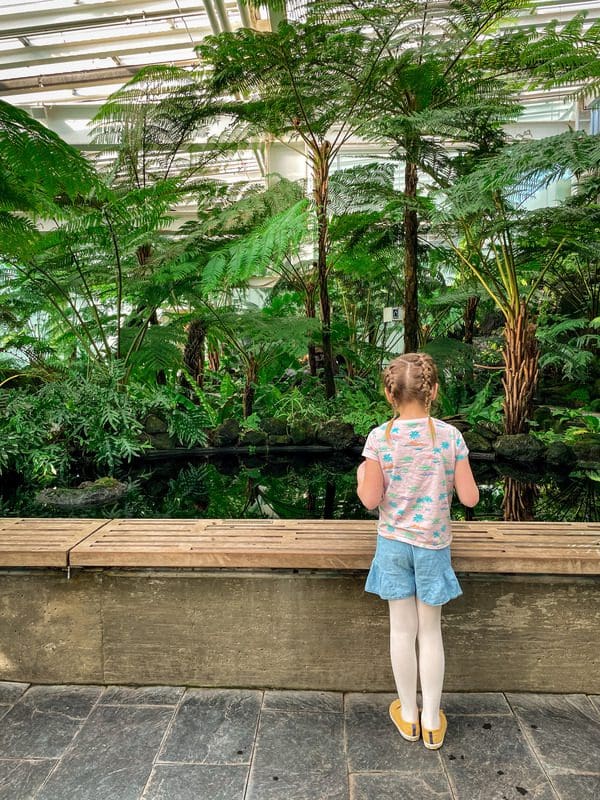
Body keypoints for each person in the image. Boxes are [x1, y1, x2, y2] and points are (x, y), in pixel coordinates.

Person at [356, 352, 479, 750]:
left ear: (389, 395)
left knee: (401, 631)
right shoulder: (449, 437)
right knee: (430, 632)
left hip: (393, 545)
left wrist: (363, 473)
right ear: (433, 391)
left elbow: (370, 500)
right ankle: (432, 722)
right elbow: (471, 498)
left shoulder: (380, 438)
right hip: (432, 546)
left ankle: (408, 715)